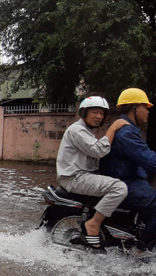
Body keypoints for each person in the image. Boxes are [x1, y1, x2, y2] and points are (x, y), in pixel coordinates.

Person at [56, 96, 129, 248]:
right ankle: (94, 224)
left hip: (83, 176)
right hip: (75, 178)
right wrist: (113, 128)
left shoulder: (86, 131)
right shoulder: (77, 130)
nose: (98, 117)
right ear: (84, 113)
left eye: (102, 114)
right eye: (95, 112)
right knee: (119, 188)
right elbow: (99, 150)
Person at [99, 88, 156, 246]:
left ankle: (142, 233)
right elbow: (147, 157)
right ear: (135, 107)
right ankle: (142, 248)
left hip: (132, 180)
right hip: (125, 182)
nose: (148, 112)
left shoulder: (130, 130)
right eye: (146, 107)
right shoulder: (126, 133)